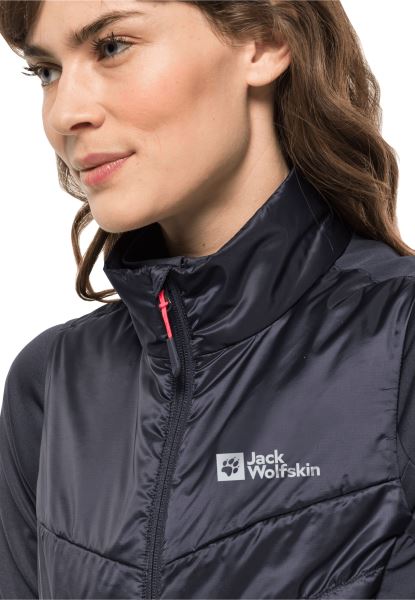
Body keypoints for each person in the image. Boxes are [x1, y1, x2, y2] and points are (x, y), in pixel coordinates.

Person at [0, 1, 415, 598]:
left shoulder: (400, 346)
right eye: (46, 71)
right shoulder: (51, 385)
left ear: (263, 41)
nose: (65, 112)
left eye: (112, 46)